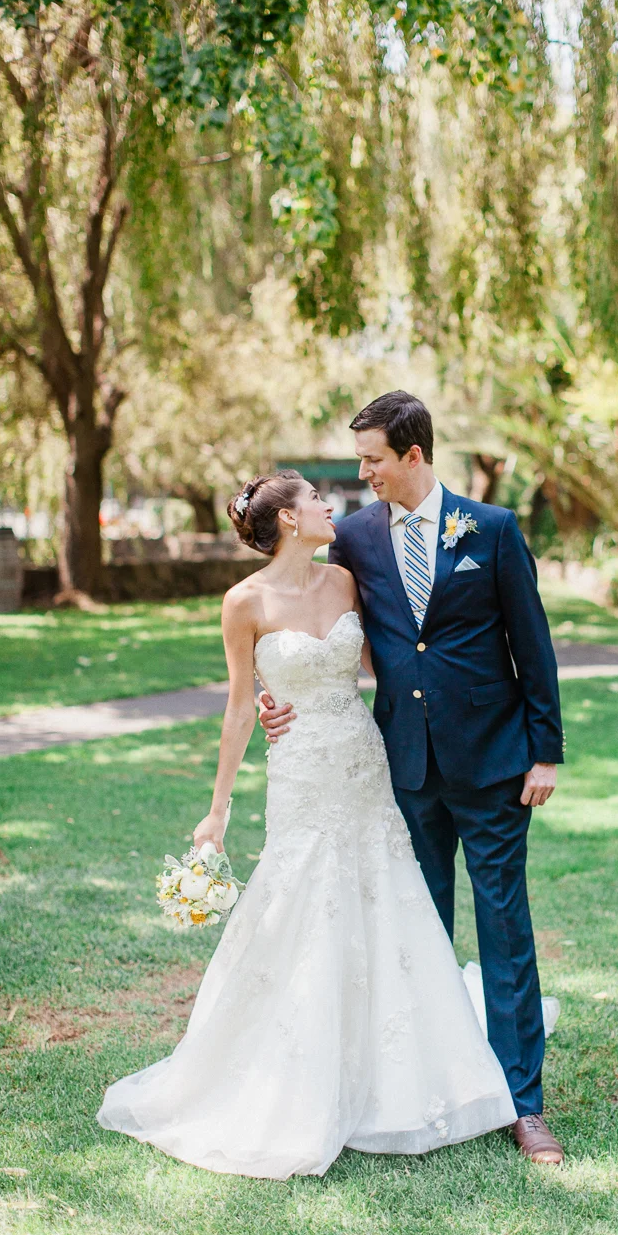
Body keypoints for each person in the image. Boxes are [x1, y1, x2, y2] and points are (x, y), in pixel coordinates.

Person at [97, 469, 519, 1180]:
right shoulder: (243, 602)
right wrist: (217, 808)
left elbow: (385, 666)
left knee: (384, 896)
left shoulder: (344, 582)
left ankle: (402, 1070)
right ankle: (291, 1070)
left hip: (361, 757)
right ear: (290, 519)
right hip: (300, 771)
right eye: (319, 501)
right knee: (301, 901)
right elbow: (239, 705)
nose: (332, 507)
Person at [259, 392, 566, 1165]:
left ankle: (521, 1104)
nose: (362, 475)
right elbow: (307, 614)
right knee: (418, 936)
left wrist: (544, 751)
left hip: (495, 763)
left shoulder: (490, 530)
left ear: (414, 456)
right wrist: (276, 696)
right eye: (359, 461)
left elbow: (532, 643)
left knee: (504, 932)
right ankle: (432, 1089)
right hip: (400, 767)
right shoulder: (355, 539)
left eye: (372, 461)